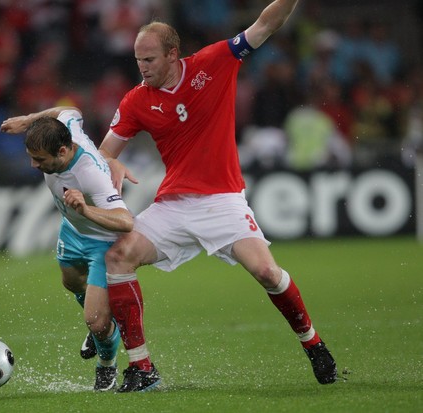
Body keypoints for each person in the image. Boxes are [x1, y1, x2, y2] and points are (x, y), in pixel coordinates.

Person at [97, 0, 338, 392]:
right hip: (173, 206)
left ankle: (313, 344)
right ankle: (142, 368)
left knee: (267, 273)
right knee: (118, 256)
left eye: (149, 59)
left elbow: (265, 24)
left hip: (223, 200)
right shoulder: (136, 100)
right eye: (137, 59)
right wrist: (111, 162)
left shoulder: (215, 61)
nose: (141, 67)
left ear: (173, 54)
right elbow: (104, 152)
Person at [0, 106, 133, 391]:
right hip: (72, 230)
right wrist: (28, 119)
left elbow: (126, 222)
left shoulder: (89, 175)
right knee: (71, 283)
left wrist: (85, 209)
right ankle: (100, 327)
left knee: (97, 322)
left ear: (62, 152)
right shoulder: (66, 130)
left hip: (102, 243)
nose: (34, 166)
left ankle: (106, 367)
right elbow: (68, 109)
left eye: (39, 159)